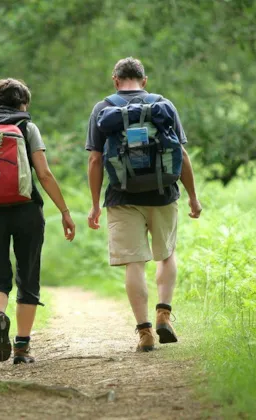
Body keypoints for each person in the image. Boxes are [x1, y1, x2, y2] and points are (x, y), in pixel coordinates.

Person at [86, 58, 202, 352]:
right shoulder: (163, 105)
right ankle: (164, 313)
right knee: (166, 255)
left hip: (122, 197)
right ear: (144, 80)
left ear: (115, 80)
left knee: (134, 263)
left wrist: (95, 204)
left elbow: (96, 159)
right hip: (163, 193)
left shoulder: (103, 109)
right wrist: (192, 196)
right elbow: (182, 154)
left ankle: (145, 332)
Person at [0, 78, 76, 364]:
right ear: (22, 103)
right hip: (26, 210)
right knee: (28, 275)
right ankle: (22, 347)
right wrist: (64, 211)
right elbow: (45, 174)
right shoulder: (27, 127)